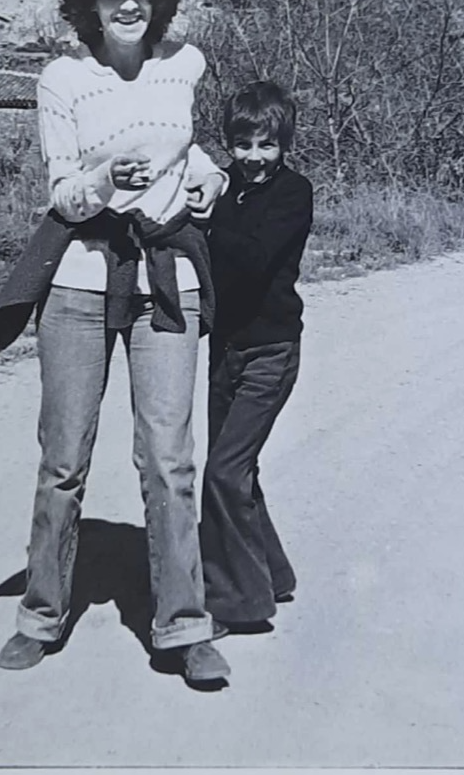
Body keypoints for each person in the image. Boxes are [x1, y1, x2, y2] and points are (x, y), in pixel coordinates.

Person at [0, 0, 232, 685]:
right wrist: (100, 187)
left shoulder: (183, 64)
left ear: (159, 1)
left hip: (166, 277)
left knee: (168, 459)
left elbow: (190, 150)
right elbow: (61, 188)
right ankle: (42, 612)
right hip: (82, 282)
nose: (127, 4)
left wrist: (212, 181)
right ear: (86, 4)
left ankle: (183, 626)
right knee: (63, 459)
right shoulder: (62, 80)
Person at [199, 81, 314, 632]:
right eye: (242, 144)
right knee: (236, 468)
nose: (253, 157)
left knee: (225, 471)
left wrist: (201, 218)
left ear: (283, 143)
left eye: (266, 145)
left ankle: (238, 603)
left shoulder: (294, 192)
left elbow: (252, 257)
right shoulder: (225, 188)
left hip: (271, 351)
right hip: (226, 348)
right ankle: (272, 571)